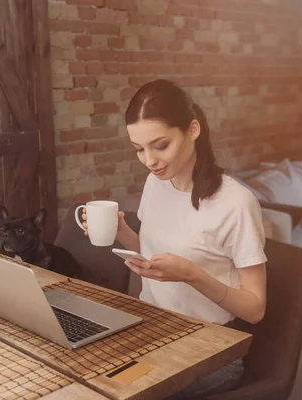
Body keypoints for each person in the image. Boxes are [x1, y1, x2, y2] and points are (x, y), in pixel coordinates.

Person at [82, 79, 267, 398]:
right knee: (83, 375)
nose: (149, 160)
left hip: (211, 347)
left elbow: (255, 309)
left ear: (193, 129)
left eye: (160, 145)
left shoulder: (236, 203)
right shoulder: (156, 183)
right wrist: (123, 232)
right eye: (139, 149)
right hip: (152, 327)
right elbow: (156, 256)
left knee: (121, 393)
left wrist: (193, 276)